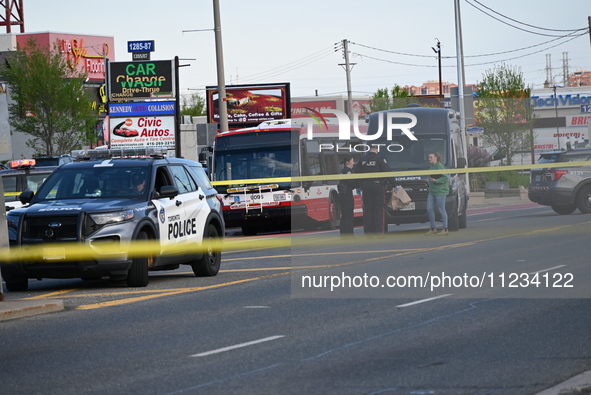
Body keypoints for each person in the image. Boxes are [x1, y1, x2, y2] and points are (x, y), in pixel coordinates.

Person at [354, 144, 392, 237]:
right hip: (378, 186)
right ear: (377, 149)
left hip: (365, 187)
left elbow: (356, 173)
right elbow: (387, 172)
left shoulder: (362, 160)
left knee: (368, 210)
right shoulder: (380, 159)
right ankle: (379, 233)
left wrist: (358, 186)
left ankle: (368, 234)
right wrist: (394, 184)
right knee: (379, 210)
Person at [425, 152, 449, 236]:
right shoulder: (431, 166)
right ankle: (433, 228)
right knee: (429, 208)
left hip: (440, 191)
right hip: (432, 191)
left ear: (436, 158)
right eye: (428, 157)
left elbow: (446, 177)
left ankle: (445, 228)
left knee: (441, 209)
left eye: (431, 157)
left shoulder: (440, 166)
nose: (429, 159)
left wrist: (437, 181)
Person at [337, 155, 355, 236]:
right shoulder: (348, 171)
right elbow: (350, 182)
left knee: (343, 215)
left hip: (341, 195)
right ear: (347, 162)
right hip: (347, 195)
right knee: (349, 215)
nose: (353, 163)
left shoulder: (342, 170)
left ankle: (343, 234)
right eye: (352, 161)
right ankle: (349, 234)